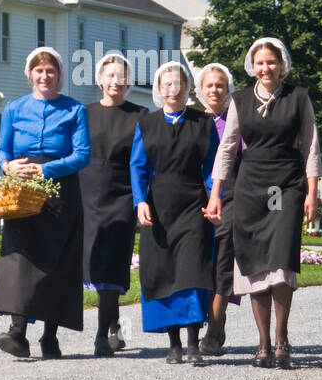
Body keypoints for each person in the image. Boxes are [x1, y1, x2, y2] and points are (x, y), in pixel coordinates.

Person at [206, 37, 321, 369]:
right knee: (254, 262)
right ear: (252, 66)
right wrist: (216, 193)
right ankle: (263, 342)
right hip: (251, 186)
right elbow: (227, 148)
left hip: (287, 184)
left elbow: (311, 146)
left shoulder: (299, 98)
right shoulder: (239, 100)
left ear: (281, 64)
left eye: (271, 62)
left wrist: (312, 192)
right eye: (260, 63)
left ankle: (282, 337)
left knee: (281, 262)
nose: (266, 67)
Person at [0, 46, 91, 359]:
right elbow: (2, 151)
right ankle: (18, 332)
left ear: (58, 76)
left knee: (57, 262)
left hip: (60, 190)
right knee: (21, 258)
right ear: (30, 74)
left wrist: (45, 168)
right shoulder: (15, 109)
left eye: (51, 71)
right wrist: (8, 166)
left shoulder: (74, 110)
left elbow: (83, 155)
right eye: (39, 70)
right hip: (22, 189)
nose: (45, 76)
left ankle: (50, 336)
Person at [131, 60, 221, 364]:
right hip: (158, 207)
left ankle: (194, 342)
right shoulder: (146, 123)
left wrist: (213, 197)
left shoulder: (203, 123)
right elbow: (138, 167)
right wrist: (139, 201)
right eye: (167, 84)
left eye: (179, 83)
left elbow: (211, 166)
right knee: (164, 270)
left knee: (193, 270)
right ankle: (173, 344)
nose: (173, 89)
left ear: (187, 89)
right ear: (158, 89)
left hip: (193, 203)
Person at [81, 53, 146, 357]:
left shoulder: (141, 115)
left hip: (122, 197)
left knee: (111, 265)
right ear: (100, 80)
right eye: (109, 75)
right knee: (92, 263)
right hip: (86, 195)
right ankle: (114, 326)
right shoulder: (85, 113)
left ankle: (101, 335)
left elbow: (146, 160)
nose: (115, 81)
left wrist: (142, 199)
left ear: (128, 82)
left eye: (121, 76)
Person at [195, 62, 243, 357]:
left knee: (222, 264)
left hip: (230, 200)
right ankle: (213, 319)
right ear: (201, 90)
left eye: (220, 85)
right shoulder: (194, 122)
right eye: (209, 85)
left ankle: (213, 331)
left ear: (229, 89)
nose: (214, 90)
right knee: (200, 265)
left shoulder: (238, 122)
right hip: (196, 202)